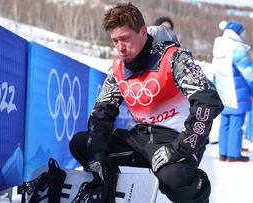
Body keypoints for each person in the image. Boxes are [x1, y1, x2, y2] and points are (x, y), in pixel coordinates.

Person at [69, 3, 223, 203]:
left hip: (177, 138)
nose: (120, 47)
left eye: (124, 39)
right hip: (141, 137)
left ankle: (199, 196)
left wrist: (179, 148)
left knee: (172, 179)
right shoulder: (118, 66)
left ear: (142, 32)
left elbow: (208, 102)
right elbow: (102, 111)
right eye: (115, 41)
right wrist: (98, 154)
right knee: (82, 144)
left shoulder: (174, 58)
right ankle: (110, 190)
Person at [212, 20, 253, 162]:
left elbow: (215, 75)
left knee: (225, 122)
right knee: (236, 123)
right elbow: (248, 73)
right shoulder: (236, 49)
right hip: (237, 92)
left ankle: (223, 153)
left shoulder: (218, 49)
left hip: (224, 92)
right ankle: (234, 155)